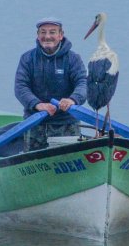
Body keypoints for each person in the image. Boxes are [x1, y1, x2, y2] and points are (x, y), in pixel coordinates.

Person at [14, 16, 88, 151]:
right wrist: (37, 104)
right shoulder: (27, 59)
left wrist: (72, 99)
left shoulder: (73, 59)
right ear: (37, 36)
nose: (47, 37)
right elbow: (20, 87)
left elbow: (83, 83)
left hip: (67, 124)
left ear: (61, 35)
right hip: (35, 123)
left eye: (52, 32)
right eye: (43, 32)